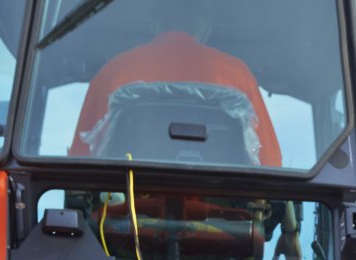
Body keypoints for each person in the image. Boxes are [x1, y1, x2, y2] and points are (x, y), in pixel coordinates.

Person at [69, 0, 282, 167]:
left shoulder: (112, 73)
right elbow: (269, 165)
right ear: (205, 28)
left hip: (120, 215)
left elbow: (78, 164)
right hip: (226, 217)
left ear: (154, 24)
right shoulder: (236, 75)